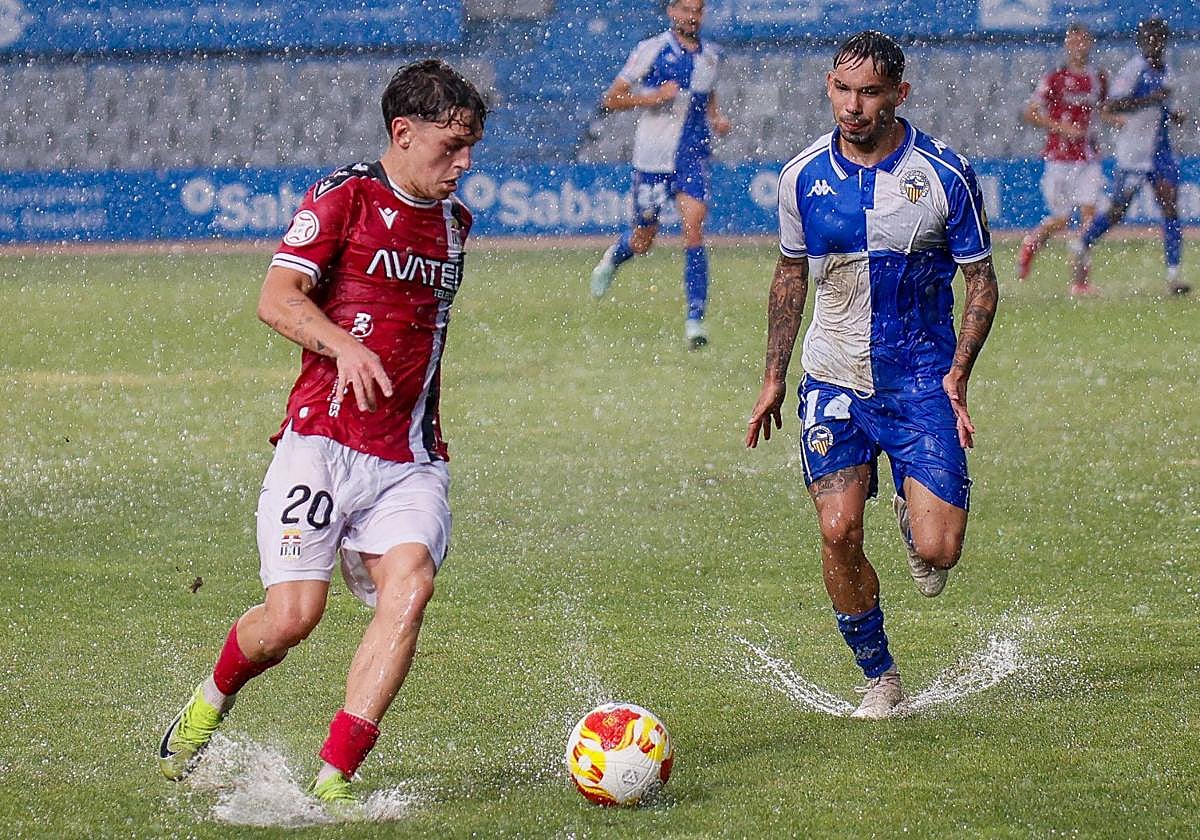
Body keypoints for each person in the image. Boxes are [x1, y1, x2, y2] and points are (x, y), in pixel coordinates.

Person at [158, 59, 487, 808]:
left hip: (407, 458)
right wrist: (344, 345)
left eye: (472, 147)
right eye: (452, 144)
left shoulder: (455, 226)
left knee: (410, 588)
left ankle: (336, 778)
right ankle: (210, 699)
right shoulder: (345, 196)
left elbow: (421, 336)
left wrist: (422, 417)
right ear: (402, 133)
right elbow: (277, 299)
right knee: (291, 620)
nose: (464, 163)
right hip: (321, 442)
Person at [745, 31, 999, 719]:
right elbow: (790, 273)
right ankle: (880, 676)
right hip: (833, 378)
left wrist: (958, 376)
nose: (852, 106)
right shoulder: (802, 175)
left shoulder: (945, 172)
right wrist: (773, 375)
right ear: (829, 86)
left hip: (920, 381)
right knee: (836, 532)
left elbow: (981, 283)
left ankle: (917, 523)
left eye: (869, 93)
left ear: (899, 95)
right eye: (841, 89)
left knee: (939, 554)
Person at [588, 0, 732, 349]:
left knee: (694, 227)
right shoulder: (651, 50)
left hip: (692, 156)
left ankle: (695, 320)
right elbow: (611, 98)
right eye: (685, 9)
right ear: (671, 12)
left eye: (697, 10)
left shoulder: (711, 55)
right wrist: (652, 97)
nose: (691, 16)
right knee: (643, 239)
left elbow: (706, 93)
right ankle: (613, 257)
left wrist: (715, 117)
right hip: (653, 159)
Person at [1072, 16, 1191, 296]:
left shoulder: (1167, 71)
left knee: (1170, 207)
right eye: (1148, 38)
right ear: (1141, 42)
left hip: (1160, 151)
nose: (1153, 43)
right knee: (1117, 212)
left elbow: (1166, 105)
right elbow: (1113, 104)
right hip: (1133, 153)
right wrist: (1151, 99)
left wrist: (1174, 114)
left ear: (1164, 41)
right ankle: (1083, 241)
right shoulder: (1133, 69)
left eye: (1158, 38)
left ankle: (1174, 276)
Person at [1017, 23, 1109, 294]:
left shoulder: (1098, 78)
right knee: (1061, 219)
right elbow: (1030, 113)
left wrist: (1121, 121)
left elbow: (1102, 110)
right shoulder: (1055, 78)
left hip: (1088, 158)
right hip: (1059, 159)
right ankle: (1031, 244)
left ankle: (1080, 282)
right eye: (1074, 41)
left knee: (1089, 218)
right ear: (1067, 45)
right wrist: (1061, 127)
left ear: (1090, 43)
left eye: (1083, 41)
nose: (1079, 45)